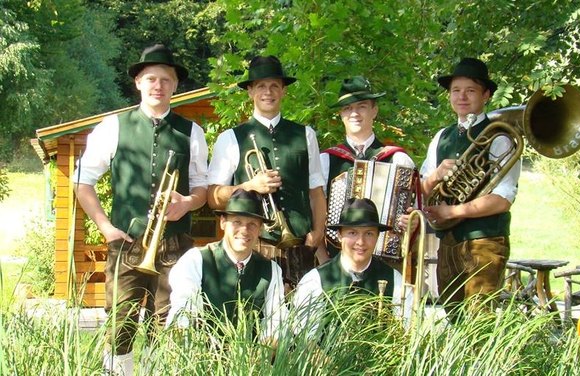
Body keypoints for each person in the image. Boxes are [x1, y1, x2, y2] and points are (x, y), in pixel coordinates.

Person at [74, 44, 208, 375]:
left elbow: (202, 189)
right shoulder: (112, 127)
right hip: (127, 241)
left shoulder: (193, 133)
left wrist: (188, 203)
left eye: (166, 79)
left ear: (176, 85)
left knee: (174, 324)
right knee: (121, 323)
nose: (158, 85)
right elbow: (82, 181)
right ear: (138, 83)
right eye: (151, 78)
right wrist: (105, 227)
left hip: (175, 244)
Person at [207, 55, 328, 286]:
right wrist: (249, 187)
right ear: (250, 91)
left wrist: (317, 233)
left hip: (301, 245)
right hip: (255, 243)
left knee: (302, 315)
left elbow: (316, 192)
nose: (268, 92)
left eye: (274, 86)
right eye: (261, 86)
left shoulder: (306, 135)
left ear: (283, 91)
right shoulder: (230, 138)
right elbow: (213, 197)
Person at [419, 57, 521, 320]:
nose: (461, 97)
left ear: (486, 95)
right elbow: (421, 188)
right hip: (449, 242)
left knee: (479, 321)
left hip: (485, 240)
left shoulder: (500, 135)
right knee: (453, 316)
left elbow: (503, 199)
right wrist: (436, 176)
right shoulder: (441, 137)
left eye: (470, 90)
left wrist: (453, 212)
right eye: (456, 90)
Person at [166, 189, 286, 343]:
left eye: (252, 224)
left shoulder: (271, 269)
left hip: (253, 360)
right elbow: (183, 312)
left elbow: (276, 321)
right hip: (201, 357)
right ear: (222, 222)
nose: (244, 230)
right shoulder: (196, 260)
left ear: (260, 228)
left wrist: (256, 358)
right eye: (237, 222)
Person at [321, 76, 415, 258]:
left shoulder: (398, 159)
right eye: (348, 108)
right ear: (341, 115)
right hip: (336, 260)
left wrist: (410, 222)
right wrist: (324, 258)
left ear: (374, 110)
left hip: (386, 261)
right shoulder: (326, 160)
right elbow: (316, 214)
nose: (354, 113)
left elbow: (416, 214)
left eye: (361, 106)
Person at [293, 198, 412, 335]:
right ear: (339, 235)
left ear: (377, 237)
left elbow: (408, 330)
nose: (361, 242)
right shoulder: (315, 281)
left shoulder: (394, 280)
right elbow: (305, 342)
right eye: (352, 233)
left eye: (369, 234)